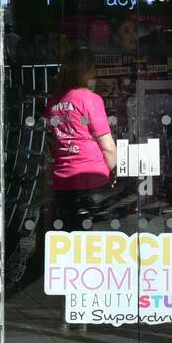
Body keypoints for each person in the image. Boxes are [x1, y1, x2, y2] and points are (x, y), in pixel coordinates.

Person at [46, 47, 118, 228]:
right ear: (85, 70)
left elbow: (52, 140)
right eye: (93, 67)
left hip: (63, 179)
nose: (94, 72)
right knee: (97, 239)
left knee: (72, 235)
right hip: (92, 177)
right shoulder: (90, 99)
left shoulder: (54, 101)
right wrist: (114, 171)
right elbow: (107, 145)